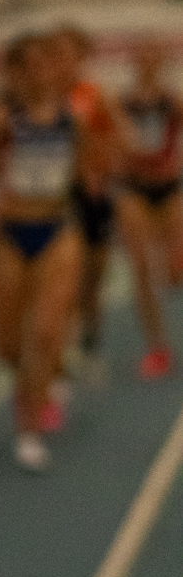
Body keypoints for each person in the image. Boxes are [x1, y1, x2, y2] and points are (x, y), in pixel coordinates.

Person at [0, 33, 110, 472]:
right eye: (27, 66)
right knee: (7, 346)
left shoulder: (72, 117)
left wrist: (94, 180)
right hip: (8, 235)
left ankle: (29, 429)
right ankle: (31, 386)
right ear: (14, 73)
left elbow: (88, 165)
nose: (39, 74)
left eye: (45, 64)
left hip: (57, 231)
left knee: (45, 333)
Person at [49, 26, 118, 383]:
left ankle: (89, 345)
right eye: (55, 54)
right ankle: (61, 352)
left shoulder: (94, 94)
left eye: (67, 53)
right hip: (58, 200)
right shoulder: (42, 97)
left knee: (92, 280)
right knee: (64, 278)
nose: (61, 61)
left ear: (81, 56)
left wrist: (100, 165)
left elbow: (120, 136)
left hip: (94, 197)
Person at [113, 41, 183, 379]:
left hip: (169, 189)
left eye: (154, 59)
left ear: (162, 64)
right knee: (141, 267)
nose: (148, 64)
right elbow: (104, 142)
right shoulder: (119, 104)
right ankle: (157, 347)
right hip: (132, 189)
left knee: (174, 272)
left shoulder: (174, 102)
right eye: (142, 58)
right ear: (134, 63)